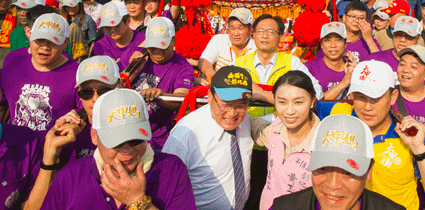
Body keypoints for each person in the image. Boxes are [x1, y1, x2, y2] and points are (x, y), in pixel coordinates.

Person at [315, 60, 425, 209]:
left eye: (375, 98)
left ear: (393, 96)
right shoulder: (337, 112)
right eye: (361, 97)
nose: (367, 107)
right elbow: (305, 103)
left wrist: (419, 150)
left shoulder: (414, 136)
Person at [41, 89, 196, 210]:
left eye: (135, 140)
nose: (126, 150)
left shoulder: (172, 170)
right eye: (116, 142)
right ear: (94, 136)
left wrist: (138, 202)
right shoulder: (68, 178)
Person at [163, 66, 268, 210]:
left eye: (241, 105)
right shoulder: (186, 135)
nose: (232, 113)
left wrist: (264, 95)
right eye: (225, 104)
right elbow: (166, 186)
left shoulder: (245, 120)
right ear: (210, 97)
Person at [271, 113, 406, 210]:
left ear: (368, 172)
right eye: (323, 169)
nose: (333, 185)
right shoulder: (283, 207)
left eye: (348, 172)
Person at [118, 17, 193, 149]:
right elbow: (112, 89)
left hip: (158, 137)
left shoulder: (183, 67)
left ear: (173, 41)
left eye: (162, 45)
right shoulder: (133, 54)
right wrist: (133, 71)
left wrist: (161, 96)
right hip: (125, 129)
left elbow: (182, 98)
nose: (157, 50)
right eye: (153, 46)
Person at [0, 13, 79, 133]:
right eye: (40, 40)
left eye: (53, 41)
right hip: (15, 148)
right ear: (30, 36)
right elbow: (3, 105)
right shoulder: (12, 64)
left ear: (65, 42)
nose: (45, 47)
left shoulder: (77, 74)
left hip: (54, 149)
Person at [254, 71, 321, 210]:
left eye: (298, 102)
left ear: (312, 101)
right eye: (282, 102)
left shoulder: (323, 143)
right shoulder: (275, 129)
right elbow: (254, 126)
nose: (289, 111)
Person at [369, 15, 425, 91]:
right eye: (399, 34)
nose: (402, 40)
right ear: (393, 35)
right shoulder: (375, 59)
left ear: (418, 39)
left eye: (409, 36)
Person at [199, 8, 256, 80]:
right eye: (232, 28)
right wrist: (212, 76)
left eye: (240, 29)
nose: (236, 34)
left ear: (250, 29)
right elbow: (204, 61)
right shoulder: (219, 40)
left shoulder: (257, 48)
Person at [306, 22, 356, 100]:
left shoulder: (353, 69)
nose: (333, 45)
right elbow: (311, 103)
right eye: (328, 40)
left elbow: (357, 102)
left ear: (345, 44)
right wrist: (342, 84)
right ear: (322, 44)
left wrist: (354, 79)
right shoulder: (309, 69)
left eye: (338, 40)